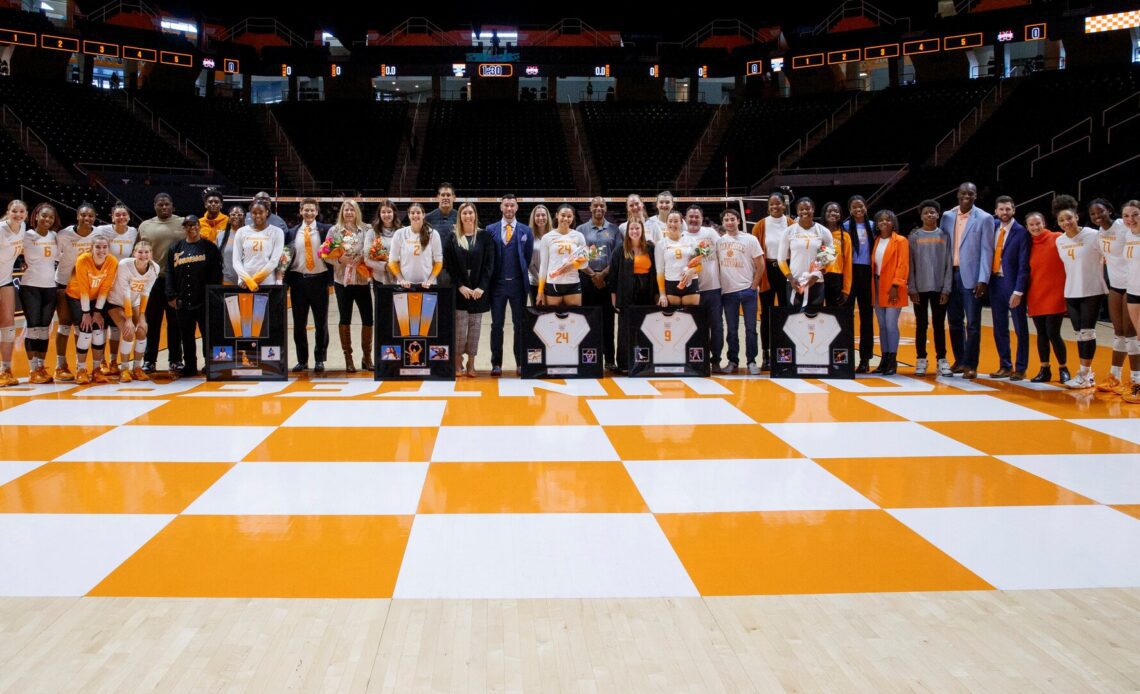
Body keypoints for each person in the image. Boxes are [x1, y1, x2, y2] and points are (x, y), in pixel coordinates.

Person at [939, 182, 995, 380]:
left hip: (971, 277)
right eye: (963, 193)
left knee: (972, 323)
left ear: (976, 196)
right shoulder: (946, 217)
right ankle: (960, 361)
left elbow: (988, 251)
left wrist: (983, 279)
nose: (967, 196)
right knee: (954, 321)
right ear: (957, 194)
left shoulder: (985, 218)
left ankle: (971, 364)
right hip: (950, 276)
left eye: (971, 193)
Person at [1054, 195, 1104, 389]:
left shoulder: (1093, 235)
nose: (1066, 222)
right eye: (1061, 220)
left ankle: (1084, 373)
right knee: (1079, 334)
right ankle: (1086, 373)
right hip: (1071, 292)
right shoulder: (1060, 241)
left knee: (1088, 332)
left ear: (1076, 216)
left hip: (1092, 290)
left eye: (1069, 218)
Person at [166, 217, 222, 378]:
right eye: (188, 225)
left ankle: (210, 363)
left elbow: (217, 274)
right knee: (186, 335)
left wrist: (213, 295)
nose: (192, 228)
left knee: (207, 334)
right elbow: (169, 272)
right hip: (184, 299)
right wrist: (171, 295)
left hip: (204, 299)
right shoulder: (175, 248)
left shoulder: (209, 248)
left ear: (199, 226)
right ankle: (190, 365)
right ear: (184, 228)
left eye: (195, 225)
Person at [444, 202, 494, 377]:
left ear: (475, 215)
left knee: (475, 330)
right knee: (459, 330)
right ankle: (458, 364)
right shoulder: (452, 237)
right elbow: (448, 265)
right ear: (460, 216)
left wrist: (481, 287)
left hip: (478, 292)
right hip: (461, 291)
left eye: (470, 212)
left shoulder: (485, 237)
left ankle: (472, 365)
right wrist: (459, 285)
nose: (467, 216)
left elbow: (489, 265)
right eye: (464, 213)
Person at [322, 200, 373, 373]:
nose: (349, 212)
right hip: (342, 282)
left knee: (368, 319)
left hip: (362, 280)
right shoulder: (334, 231)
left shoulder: (367, 229)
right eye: (346, 210)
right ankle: (348, 359)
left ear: (357, 211)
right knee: (345, 318)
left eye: (352, 209)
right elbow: (324, 254)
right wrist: (338, 259)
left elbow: (373, 250)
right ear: (342, 212)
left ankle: (367, 358)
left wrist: (363, 258)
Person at [1089, 198, 1134, 393]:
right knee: (1119, 334)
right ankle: (1115, 376)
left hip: (1132, 286)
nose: (1097, 216)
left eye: (1100, 212)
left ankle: (1135, 380)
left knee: (1132, 336)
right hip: (1115, 286)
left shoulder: (1123, 226)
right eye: (1093, 214)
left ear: (1109, 210)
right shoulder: (1099, 233)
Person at [487, 194, 534, 377]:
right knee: (496, 325)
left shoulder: (525, 231)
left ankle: (520, 363)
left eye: (512, 206)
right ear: (501, 207)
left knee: (519, 325)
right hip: (497, 286)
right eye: (506, 205)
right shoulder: (490, 230)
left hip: (517, 285)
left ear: (516, 208)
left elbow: (527, 257)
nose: (509, 209)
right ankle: (496, 363)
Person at [138, 192, 185, 373]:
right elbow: (138, 251)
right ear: (154, 206)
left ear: (172, 206)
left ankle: (175, 359)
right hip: (152, 281)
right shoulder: (145, 226)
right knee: (153, 321)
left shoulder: (182, 222)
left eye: (167, 204)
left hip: (175, 281)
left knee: (175, 323)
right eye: (160, 204)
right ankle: (149, 360)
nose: (164, 207)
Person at [52, 202, 98, 382]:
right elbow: (55, 256)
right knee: (64, 324)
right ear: (77, 216)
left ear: (94, 218)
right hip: (63, 282)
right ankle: (60, 365)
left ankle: (82, 367)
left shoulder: (98, 234)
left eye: (90, 216)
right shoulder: (64, 234)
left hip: (85, 287)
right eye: (83, 215)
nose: (87, 218)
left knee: (83, 326)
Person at [285, 198, 332, 373]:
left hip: (319, 280)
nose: (309, 213)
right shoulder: (291, 233)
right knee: (299, 323)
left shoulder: (326, 231)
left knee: (321, 323)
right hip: (298, 281)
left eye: (312, 210)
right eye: (306, 210)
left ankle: (320, 359)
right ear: (300, 211)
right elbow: (286, 258)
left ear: (317, 211)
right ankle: (302, 360)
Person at [987, 196, 1032, 380]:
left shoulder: (1021, 232)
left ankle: (1020, 367)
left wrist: (1018, 290)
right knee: (999, 327)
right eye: (1001, 209)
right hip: (995, 282)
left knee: (1020, 327)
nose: (1004, 213)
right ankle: (1005, 365)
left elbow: (1024, 265)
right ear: (996, 211)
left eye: (1008, 209)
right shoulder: (992, 227)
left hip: (1012, 284)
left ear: (1014, 210)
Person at [907, 200, 953, 377]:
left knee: (939, 325)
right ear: (921, 216)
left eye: (933, 212)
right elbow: (910, 265)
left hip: (939, 289)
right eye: (926, 212)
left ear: (938, 215)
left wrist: (946, 289)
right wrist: (912, 288)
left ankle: (942, 360)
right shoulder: (914, 236)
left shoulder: (944, 236)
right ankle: (921, 359)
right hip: (919, 288)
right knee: (921, 325)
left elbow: (949, 263)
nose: (930, 215)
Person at [65, 235, 119, 384]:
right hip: (77, 295)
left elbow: (105, 288)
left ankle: (96, 370)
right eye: (98, 247)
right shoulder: (83, 260)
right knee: (85, 329)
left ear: (108, 248)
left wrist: (97, 312)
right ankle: (81, 369)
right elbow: (83, 288)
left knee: (98, 330)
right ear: (92, 248)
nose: (101, 250)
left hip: (96, 298)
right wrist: (86, 313)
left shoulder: (112, 261)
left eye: (104, 247)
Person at [1024, 211, 1069, 384]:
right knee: (1041, 333)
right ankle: (1045, 369)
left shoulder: (1058, 238)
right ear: (1027, 227)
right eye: (1032, 225)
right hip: (1035, 294)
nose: (1035, 227)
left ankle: (1064, 368)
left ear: (1044, 223)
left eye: (1038, 223)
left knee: (1053, 332)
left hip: (1055, 293)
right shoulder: (1027, 244)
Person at [717, 208, 764, 375]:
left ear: (738, 220)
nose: (729, 222)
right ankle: (733, 361)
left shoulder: (750, 239)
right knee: (732, 330)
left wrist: (754, 286)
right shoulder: (719, 242)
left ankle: (751, 361)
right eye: (726, 220)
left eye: (732, 219)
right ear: (722, 223)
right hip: (728, 292)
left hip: (748, 291)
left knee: (751, 328)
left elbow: (761, 265)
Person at [93, 202, 138, 375]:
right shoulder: (101, 231)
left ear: (128, 217)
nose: (121, 217)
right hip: (102, 283)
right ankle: (101, 361)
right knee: (101, 325)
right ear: (112, 217)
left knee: (115, 328)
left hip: (123, 285)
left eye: (124, 214)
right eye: (117, 214)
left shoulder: (133, 232)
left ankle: (113, 361)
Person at [577, 196, 622, 371]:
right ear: (590, 208)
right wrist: (593, 275)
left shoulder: (614, 229)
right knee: (588, 319)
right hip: (587, 279)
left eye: (602, 206)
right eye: (595, 205)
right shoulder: (581, 230)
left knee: (608, 321)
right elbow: (578, 257)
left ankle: (609, 360)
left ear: (605, 208)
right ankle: (589, 358)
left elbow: (617, 256)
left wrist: (602, 275)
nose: (598, 208)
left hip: (607, 280)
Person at [106, 239, 158, 382]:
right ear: (134, 253)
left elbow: (146, 292)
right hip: (115, 301)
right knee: (128, 333)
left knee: (142, 330)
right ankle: (124, 369)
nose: (143, 255)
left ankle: (137, 368)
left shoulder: (155, 268)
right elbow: (125, 292)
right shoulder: (124, 265)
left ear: (151, 254)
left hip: (134, 302)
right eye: (140, 252)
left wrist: (141, 317)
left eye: (146, 252)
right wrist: (128, 319)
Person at [753, 192, 794, 371]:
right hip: (767, 271)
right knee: (766, 315)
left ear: (784, 205)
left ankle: (785, 353)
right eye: (772, 204)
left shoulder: (792, 224)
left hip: (787, 270)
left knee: (786, 312)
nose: (775, 207)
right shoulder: (760, 226)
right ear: (768, 206)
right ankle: (766, 355)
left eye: (778, 204)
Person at [610, 217, 656, 374]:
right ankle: (624, 364)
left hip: (646, 293)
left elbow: (656, 272)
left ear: (642, 230)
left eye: (637, 228)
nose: (634, 231)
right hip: (626, 293)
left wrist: (656, 294)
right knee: (625, 330)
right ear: (627, 231)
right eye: (632, 229)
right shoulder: (620, 249)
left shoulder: (650, 248)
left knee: (646, 328)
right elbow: (613, 275)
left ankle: (644, 362)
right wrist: (614, 297)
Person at [18, 203, 58, 384]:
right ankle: (33, 369)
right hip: (30, 286)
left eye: (50, 217)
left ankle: (41, 366)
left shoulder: (55, 236)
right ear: (35, 216)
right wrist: (20, 263)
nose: (47, 219)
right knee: (33, 327)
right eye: (44, 216)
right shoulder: (26, 235)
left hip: (50, 287)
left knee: (44, 329)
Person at [684, 205, 724, 371]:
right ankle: (695, 359)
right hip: (692, 291)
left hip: (713, 289)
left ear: (702, 218)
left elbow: (723, 253)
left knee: (716, 326)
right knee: (693, 326)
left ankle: (715, 360)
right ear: (685, 219)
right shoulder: (681, 236)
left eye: (697, 216)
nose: (693, 219)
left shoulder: (710, 233)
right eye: (691, 216)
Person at [779, 197, 834, 312]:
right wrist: (791, 278)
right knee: (795, 320)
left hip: (816, 283)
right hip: (795, 283)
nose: (805, 211)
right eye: (801, 209)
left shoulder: (823, 231)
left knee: (814, 321)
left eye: (807, 208)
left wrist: (816, 276)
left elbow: (828, 258)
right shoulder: (789, 231)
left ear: (813, 209)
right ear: (797, 211)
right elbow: (781, 259)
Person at [871, 210, 909, 375]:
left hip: (893, 287)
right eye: (881, 220)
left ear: (893, 223)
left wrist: (896, 285)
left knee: (891, 324)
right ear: (877, 224)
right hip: (877, 285)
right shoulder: (877, 240)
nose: (884, 223)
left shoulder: (901, 241)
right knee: (882, 325)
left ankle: (893, 360)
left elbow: (903, 265)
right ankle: (884, 359)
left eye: (888, 220)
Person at [842, 195, 876, 373]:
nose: (858, 209)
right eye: (854, 207)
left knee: (867, 317)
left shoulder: (873, 226)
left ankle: (865, 359)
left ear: (865, 207)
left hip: (867, 273)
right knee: (847, 316)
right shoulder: (846, 227)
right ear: (849, 210)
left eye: (860, 206)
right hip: (850, 272)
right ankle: (846, 357)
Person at [538, 204, 588, 307]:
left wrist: (572, 265)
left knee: (574, 319)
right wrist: (540, 291)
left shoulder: (579, 236)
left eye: (569, 216)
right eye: (563, 215)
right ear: (557, 215)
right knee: (553, 320)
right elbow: (543, 266)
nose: (566, 218)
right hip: (553, 284)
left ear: (573, 217)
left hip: (573, 283)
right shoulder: (547, 237)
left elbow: (585, 264)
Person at [0, 199, 27, 386]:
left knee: (8, 325)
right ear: (8, 212)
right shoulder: (1, 229)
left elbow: (20, 246)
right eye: (14, 211)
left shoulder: (23, 226)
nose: (18, 215)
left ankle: (5, 369)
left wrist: (24, 258)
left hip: (6, 279)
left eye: (21, 211)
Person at [233, 199, 285, 292]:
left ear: (267, 212)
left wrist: (253, 281)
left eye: (261, 212)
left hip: (267, 282)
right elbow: (236, 261)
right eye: (254, 213)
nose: (257, 215)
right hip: (244, 282)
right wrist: (247, 280)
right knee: (246, 307)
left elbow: (274, 261)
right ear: (250, 213)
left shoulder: (277, 232)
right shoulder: (241, 232)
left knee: (264, 306)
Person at [388, 202, 443, 289]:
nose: (415, 215)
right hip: (405, 285)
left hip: (427, 285)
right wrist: (401, 280)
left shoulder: (433, 234)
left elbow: (439, 261)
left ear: (423, 215)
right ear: (409, 215)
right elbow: (392, 261)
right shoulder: (399, 233)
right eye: (412, 213)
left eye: (418, 212)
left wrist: (430, 281)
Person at [655, 211, 701, 308]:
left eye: (676, 221)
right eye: (670, 221)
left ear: (681, 223)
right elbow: (660, 271)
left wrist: (692, 270)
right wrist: (662, 294)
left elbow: (699, 265)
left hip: (690, 283)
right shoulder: (661, 244)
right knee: (673, 320)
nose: (673, 224)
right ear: (666, 223)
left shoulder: (691, 241)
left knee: (692, 320)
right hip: (671, 284)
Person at [1120, 200, 1140, 402]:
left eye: (1135, 215)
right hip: (1133, 291)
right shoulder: (1127, 234)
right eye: (1126, 216)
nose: (1130, 219)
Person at [425, 183, 457, 287]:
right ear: (438, 197)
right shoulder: (427, 218)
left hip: (456, 267)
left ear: (454, 198)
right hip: (434, 267)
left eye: (448, 195)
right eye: (443, 195)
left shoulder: (461, 217)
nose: (445, 198)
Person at [821, 201, 852, 307]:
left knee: (833, 314)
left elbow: (848, 264)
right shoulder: (817, 232)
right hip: (818, 276)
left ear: (840, 215)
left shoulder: (845, 236)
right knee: (816, 313)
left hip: (836, 278)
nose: (833, 213)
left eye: (836, 211)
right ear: (824, 214)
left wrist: (846, 289)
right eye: (829, 211)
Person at [364, 199, 401, 286]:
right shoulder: (372, 232)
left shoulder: (402, 231)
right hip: (379, 279)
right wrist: (385, 266)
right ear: (379, 214)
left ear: (394, 213)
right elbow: (366, 259)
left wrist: (396, 264)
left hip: (401, 278)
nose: (386, 214)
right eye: (383, 212)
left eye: (389, 212)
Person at [527, 204, 552, 305]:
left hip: (552, 281)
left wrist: (549, 279)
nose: (540, 218)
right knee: (538, 314)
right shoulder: (528, 236)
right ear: (533, 218)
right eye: (537, 215)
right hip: (535, 282)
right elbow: (529, 264)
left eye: (543, 215)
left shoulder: (554, 235)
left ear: (547, 217)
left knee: (552, 313)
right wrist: (541, 281)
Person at [215, 205, 244, 287]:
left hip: (246, 281)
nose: (236, 216)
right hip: (227, 281)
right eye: (233, 214)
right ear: (229, 217)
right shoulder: (221, 236)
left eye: (239, 214)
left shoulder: (250, 235)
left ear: (244, 217)